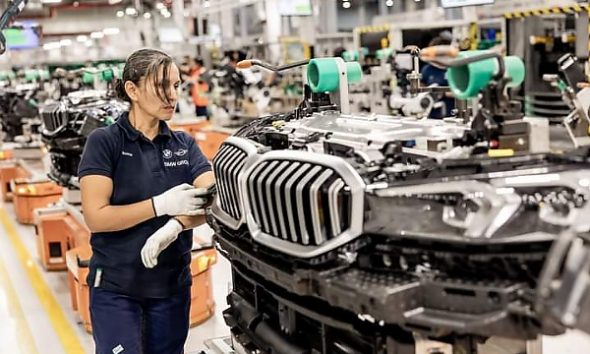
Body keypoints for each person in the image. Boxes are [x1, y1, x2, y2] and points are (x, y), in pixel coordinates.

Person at [78, 48, 215, 354]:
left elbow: (211, 198)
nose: (172, 95)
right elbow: (96, 216)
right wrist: (160, 206)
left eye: (177, 85)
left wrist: (176, 225)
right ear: (133, 90)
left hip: (171, 287)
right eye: (161, 86)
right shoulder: (105, 142)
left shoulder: (184, 145)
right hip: (116, 288)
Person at [421, 35, 456, 119]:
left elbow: (462, 91)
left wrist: (443, 93)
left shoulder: (455, 68)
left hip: (452, 114)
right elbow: (422, 87)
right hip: (432, 115)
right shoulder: (427, 69)